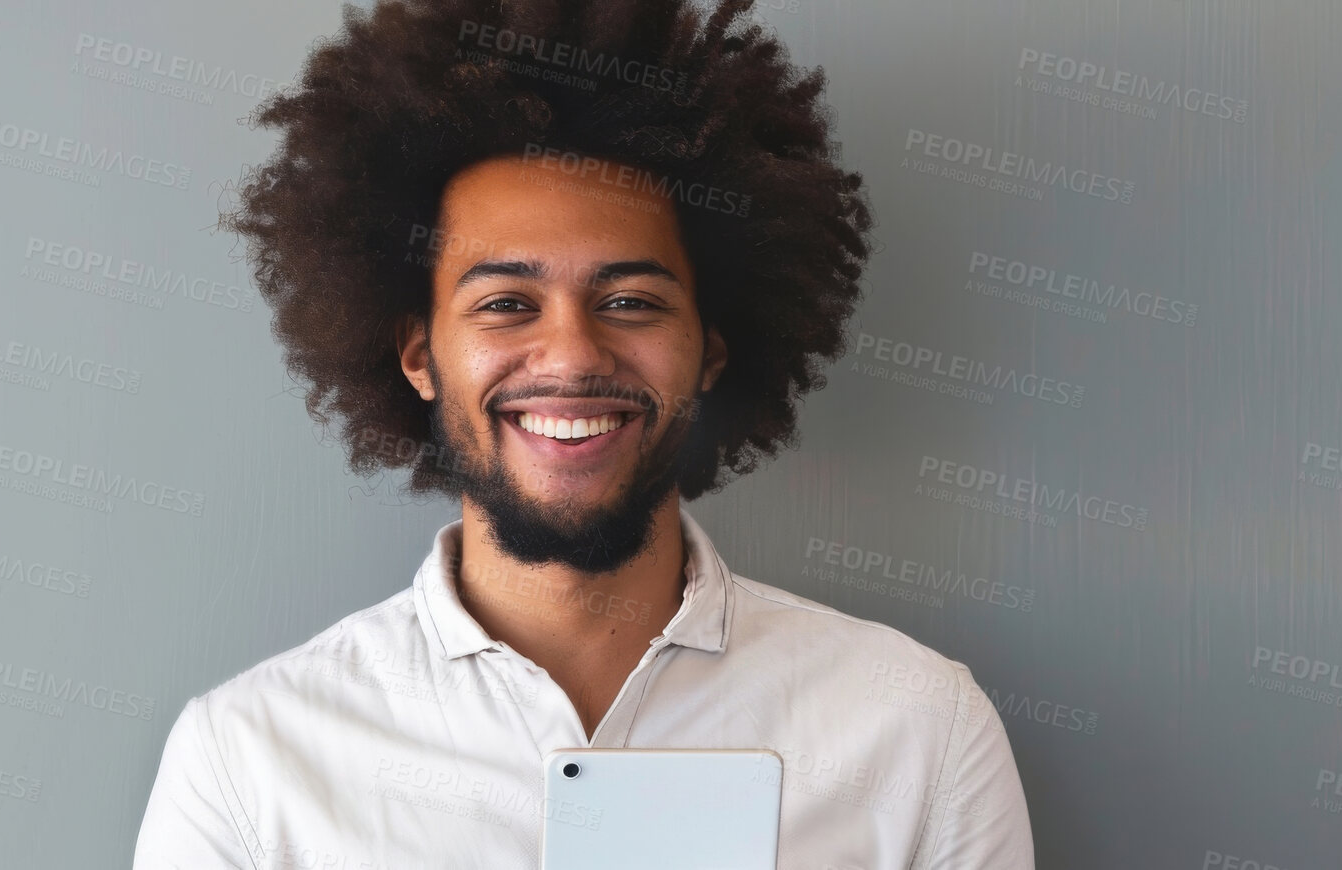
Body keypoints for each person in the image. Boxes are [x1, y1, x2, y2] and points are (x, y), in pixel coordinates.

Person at [133, 0, 1033, 866]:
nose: (570, 354)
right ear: (417, 354)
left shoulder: (915, 729)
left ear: (711, 350)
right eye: (505, 304)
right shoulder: (248, 761)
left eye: (630, 301)